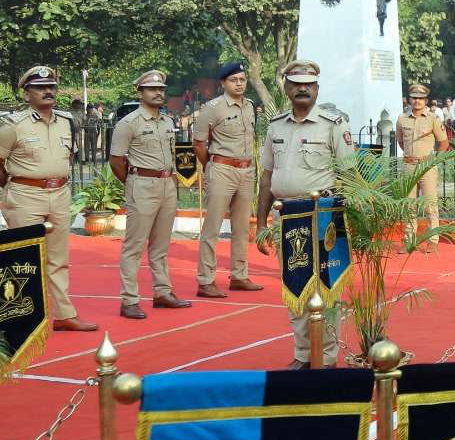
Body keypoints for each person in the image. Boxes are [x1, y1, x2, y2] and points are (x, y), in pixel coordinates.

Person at [255, 60, 353, 369]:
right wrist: (259, 221)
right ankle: (302, 354)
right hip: (286, 215)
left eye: (308, 84)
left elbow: (350, 175)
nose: (302, 89)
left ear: (317, 89)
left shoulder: (332, 124)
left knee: (326, 286)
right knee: (295, 285)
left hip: (323, 215)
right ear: (286, 88)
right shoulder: (276, 125)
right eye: (296, 84)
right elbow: (267, 178)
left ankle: (325, 357)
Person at [0, 67, 98, 332]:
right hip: (25, 194)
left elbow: (71, 158)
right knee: (22, 257)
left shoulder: (66, 121)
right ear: (27, 92)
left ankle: (65, 314)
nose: (48, 92)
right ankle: (20, 318)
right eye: (41, 87)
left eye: (52, 87)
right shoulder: (14, 125)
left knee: (58, 258)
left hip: (59, 193)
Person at [109, 71, 192, 320]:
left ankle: (162, 292)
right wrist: (135, 180)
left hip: (166, 183)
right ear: (140, 92)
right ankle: (129, 300)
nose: (158, 93)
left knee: (161, 245)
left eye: (161, 89)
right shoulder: (129, 123)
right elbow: (116, 161)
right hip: (142, 183)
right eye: (151, 89)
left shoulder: (167, 121)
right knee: (134, 245)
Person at [193, 61, 264, 298]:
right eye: (234, 80)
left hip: (246, 170)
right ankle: (205, 281)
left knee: (242, 228)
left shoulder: (250, 106)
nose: (239, 84)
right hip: (221, 168)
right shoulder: (213, 108)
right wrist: (211, 166)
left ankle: (239, 275)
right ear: (223, 83)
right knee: (212, 228)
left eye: (242, 79)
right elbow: (199, 144)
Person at [396, 82, 451, 250]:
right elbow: (400, 142)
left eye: (420, 98)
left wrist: (433, 159)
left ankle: (433, 241)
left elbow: (443, 143)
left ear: (426, 100)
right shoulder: (401, 119)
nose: (417, 101)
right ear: (409, 100)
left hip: (427, 167)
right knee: (408, 205)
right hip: (409, 166)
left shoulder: (433, 119)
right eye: (414, 98)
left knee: (430, 205)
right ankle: (409, 241)